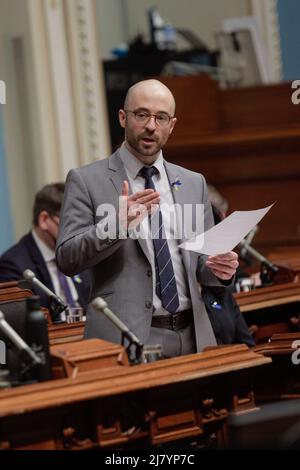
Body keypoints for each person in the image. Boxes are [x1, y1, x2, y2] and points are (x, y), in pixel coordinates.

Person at [56, 79, 239, 357]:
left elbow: (202, 265)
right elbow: (67, 258)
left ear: (172, 125)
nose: (151, 126)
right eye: (141, 115)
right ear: (122, 117)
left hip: (193, 334)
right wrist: (117, 226)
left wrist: (219, 270)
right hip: (124, 338)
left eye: (161, 117)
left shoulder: (193, 182)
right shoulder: (86, 180)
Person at [0, 183, 90, 312]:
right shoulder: (13, 266)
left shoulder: (80, 252)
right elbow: (25, 323)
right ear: (44, 220)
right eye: (70, 224)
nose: (76, 232)